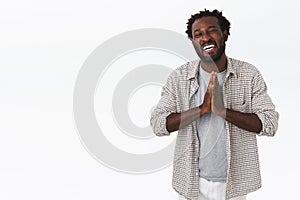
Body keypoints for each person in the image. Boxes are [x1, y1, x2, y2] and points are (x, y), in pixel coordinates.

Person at [150, 9, 279, 200]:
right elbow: (158, 124)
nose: (205, 38)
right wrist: (201, 110)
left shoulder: (248, 75)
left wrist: (222, 111)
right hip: (191, 183)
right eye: (198, 34)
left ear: (225, 33)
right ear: (193, 41)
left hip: (234, 185)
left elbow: (269, 123)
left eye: (211, 31)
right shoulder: (179, 77)